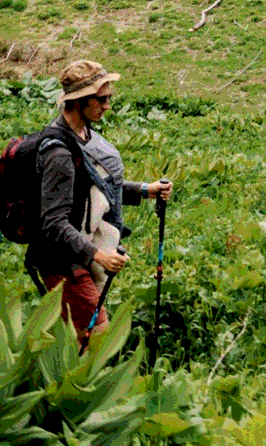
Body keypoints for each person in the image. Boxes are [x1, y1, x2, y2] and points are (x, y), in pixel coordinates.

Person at [27, 59, 171, 346]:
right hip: (60, 259)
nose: (107, 106)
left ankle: (61, 377)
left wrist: (145, 190)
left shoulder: (82, 136)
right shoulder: (59, 154)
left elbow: (95, 188)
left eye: (109, 98)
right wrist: (97, 255)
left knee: (77, 335)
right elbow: (53, 224)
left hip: (78, 251)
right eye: (102, 99)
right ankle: (80, 387)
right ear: (79, 101)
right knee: (97, 338)